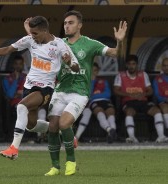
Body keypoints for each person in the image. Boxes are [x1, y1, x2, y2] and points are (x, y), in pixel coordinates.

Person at [23, 10, 127, 176]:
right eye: (65, 23)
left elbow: (115, 53)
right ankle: (55, 167)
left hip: (79, 93)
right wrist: (30, 31)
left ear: (80, 25)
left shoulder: (89, 44)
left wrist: (120, 42)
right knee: (53, 127)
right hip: (60, 90)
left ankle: (70, 160)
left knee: (64, 123)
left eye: (70, 23)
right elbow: (38, 42)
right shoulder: (58, 43)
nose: (67, 26)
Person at [0, 16, 80, 159]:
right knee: (30, 125)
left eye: (35, 33)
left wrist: (70, 62)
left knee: (21, 107)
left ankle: (14, 148)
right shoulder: (30, 40)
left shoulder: (59, 45)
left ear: (45, 31)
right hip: (29, 86)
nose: (32, 36)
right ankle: (65, 134)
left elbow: (76, 68)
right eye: (31, 33)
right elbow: (8, 49)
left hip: (45, 88)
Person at [113, 54, 168, 143]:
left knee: (156, 111)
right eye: (129, 64)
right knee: (129, 111)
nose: (131, 66)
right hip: (128, 101)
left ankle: (161, 136)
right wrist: (128, 94)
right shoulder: (121, 75)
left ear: (137, 65)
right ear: (126, 65)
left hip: (142, 101)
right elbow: (115, 90)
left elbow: (150, 91)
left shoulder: (143, 74)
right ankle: (132, 137)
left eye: (133, 64)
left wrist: (143, 94)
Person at [75, 63, 117, 143]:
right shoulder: (85, 82)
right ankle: (110, 130)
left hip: (105, 100)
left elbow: (107, 94)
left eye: (95, 70)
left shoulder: (103, 81)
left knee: (110, 111)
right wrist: (92, 82)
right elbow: (87, 95)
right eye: (91, 70)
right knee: (98, 110)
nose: (93, 72)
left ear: (97, 71)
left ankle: (112, 133)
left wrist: (94, 95)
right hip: (92, 102)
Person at [153, 57, 168, 133]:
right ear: (162, 67)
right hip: (163, 102)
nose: (166, 68)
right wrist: (165, 99)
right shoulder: (157, 79)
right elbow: (157, 95)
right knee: (165, 107)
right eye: (164, 66)